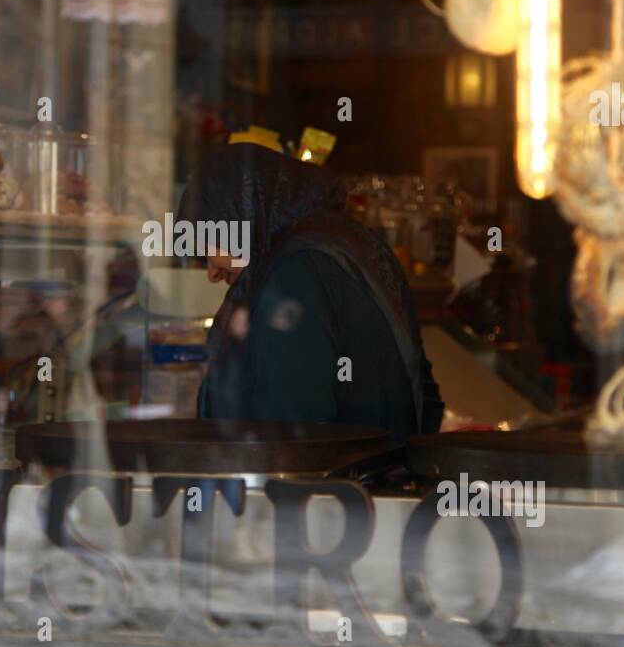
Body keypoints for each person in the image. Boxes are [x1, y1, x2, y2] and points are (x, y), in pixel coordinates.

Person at [179, 143, 443, 441]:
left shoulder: (293, 275)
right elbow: (427, 394)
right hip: (375, 475)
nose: (212, 272)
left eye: (207, 248)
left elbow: (289, 437)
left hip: (330, 485)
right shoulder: (346, 241)